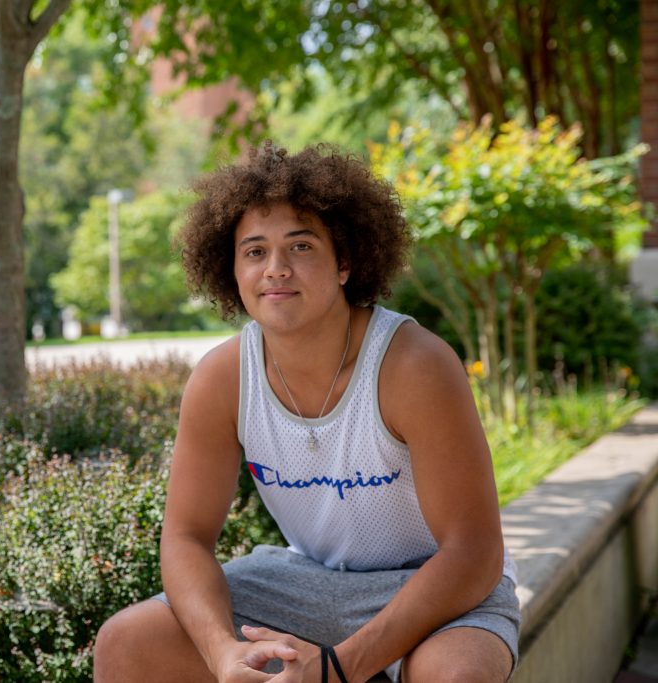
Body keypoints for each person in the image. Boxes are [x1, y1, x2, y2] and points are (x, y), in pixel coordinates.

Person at [93, 142, 520, 683]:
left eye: (300, 246)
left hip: (435, 588)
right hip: (306, 580)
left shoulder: (413, 365)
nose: (275, 269)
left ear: (344, 262)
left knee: (454, 677)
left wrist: (338, 669)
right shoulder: (222, 379)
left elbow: (474, 551)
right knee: (126, 642)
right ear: (231, 270)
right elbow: (185, 538)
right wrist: (222, 652)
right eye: (254, 251)